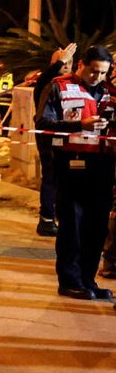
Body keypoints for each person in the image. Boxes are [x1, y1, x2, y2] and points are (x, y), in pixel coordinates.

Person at [34, 46, 114, 300]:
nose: (97, 77)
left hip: (102, 165)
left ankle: (88, 280)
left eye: (103, 73)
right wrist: (80, 125)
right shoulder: (59, 87)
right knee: (73, 226)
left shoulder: (109, 92)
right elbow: (43, 123)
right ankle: (69, 280)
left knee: (97, 228)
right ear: (81, 64)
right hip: (71, 164)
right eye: (93, 71)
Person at [33, 43, 77, 237]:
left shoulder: (73, 84)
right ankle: (47, 219)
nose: (65, 66)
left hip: (68, 137)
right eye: (61, 63)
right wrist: (60, 59)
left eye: (69, 63)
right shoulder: (46, 84)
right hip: (49, 138)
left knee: (64, 178)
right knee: (50, 177)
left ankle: (60, 216)